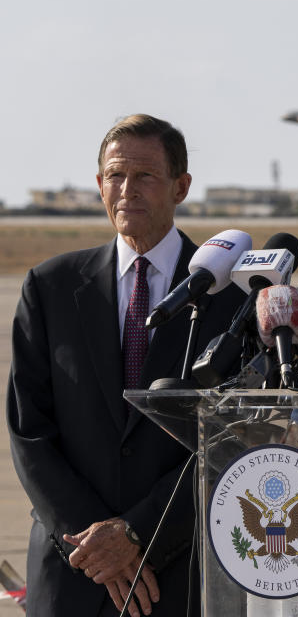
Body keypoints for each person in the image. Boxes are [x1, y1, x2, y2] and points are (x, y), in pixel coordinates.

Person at [7, 114, 245, 616]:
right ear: (98, 185)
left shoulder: (232, 296)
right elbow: (30, 432)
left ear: (181, 187)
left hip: (179, 571)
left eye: (145, 176)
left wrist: (139, 534)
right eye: (115, 176)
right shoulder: (50, 287)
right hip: (73, 566)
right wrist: (98, 547)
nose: (127, 190)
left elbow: (233, 441)